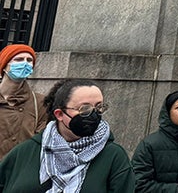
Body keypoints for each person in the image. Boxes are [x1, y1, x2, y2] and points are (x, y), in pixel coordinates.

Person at [0, 78, 135, 192]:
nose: (93, 115)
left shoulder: (113, 157)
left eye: (99, 108)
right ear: (59, 114)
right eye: (84, 109)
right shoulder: (25, 152)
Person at [0, 43, 47, 160]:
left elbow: (40, 141)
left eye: (29, 60)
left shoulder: (40, 103)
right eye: (19, 59)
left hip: (19, 168)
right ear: (5, 66)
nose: (25, 63)